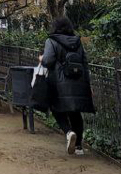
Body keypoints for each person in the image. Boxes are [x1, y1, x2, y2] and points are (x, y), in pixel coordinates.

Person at [40, 15, 95, 156]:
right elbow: (85, 63)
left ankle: (69, 132)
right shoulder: (78, 42)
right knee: (76, 113)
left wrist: (41, 59)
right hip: (79, 82)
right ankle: (78, 147)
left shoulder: (51, 41)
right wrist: (88, 83)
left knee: (56, 109)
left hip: (59, 83)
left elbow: (47, 61)